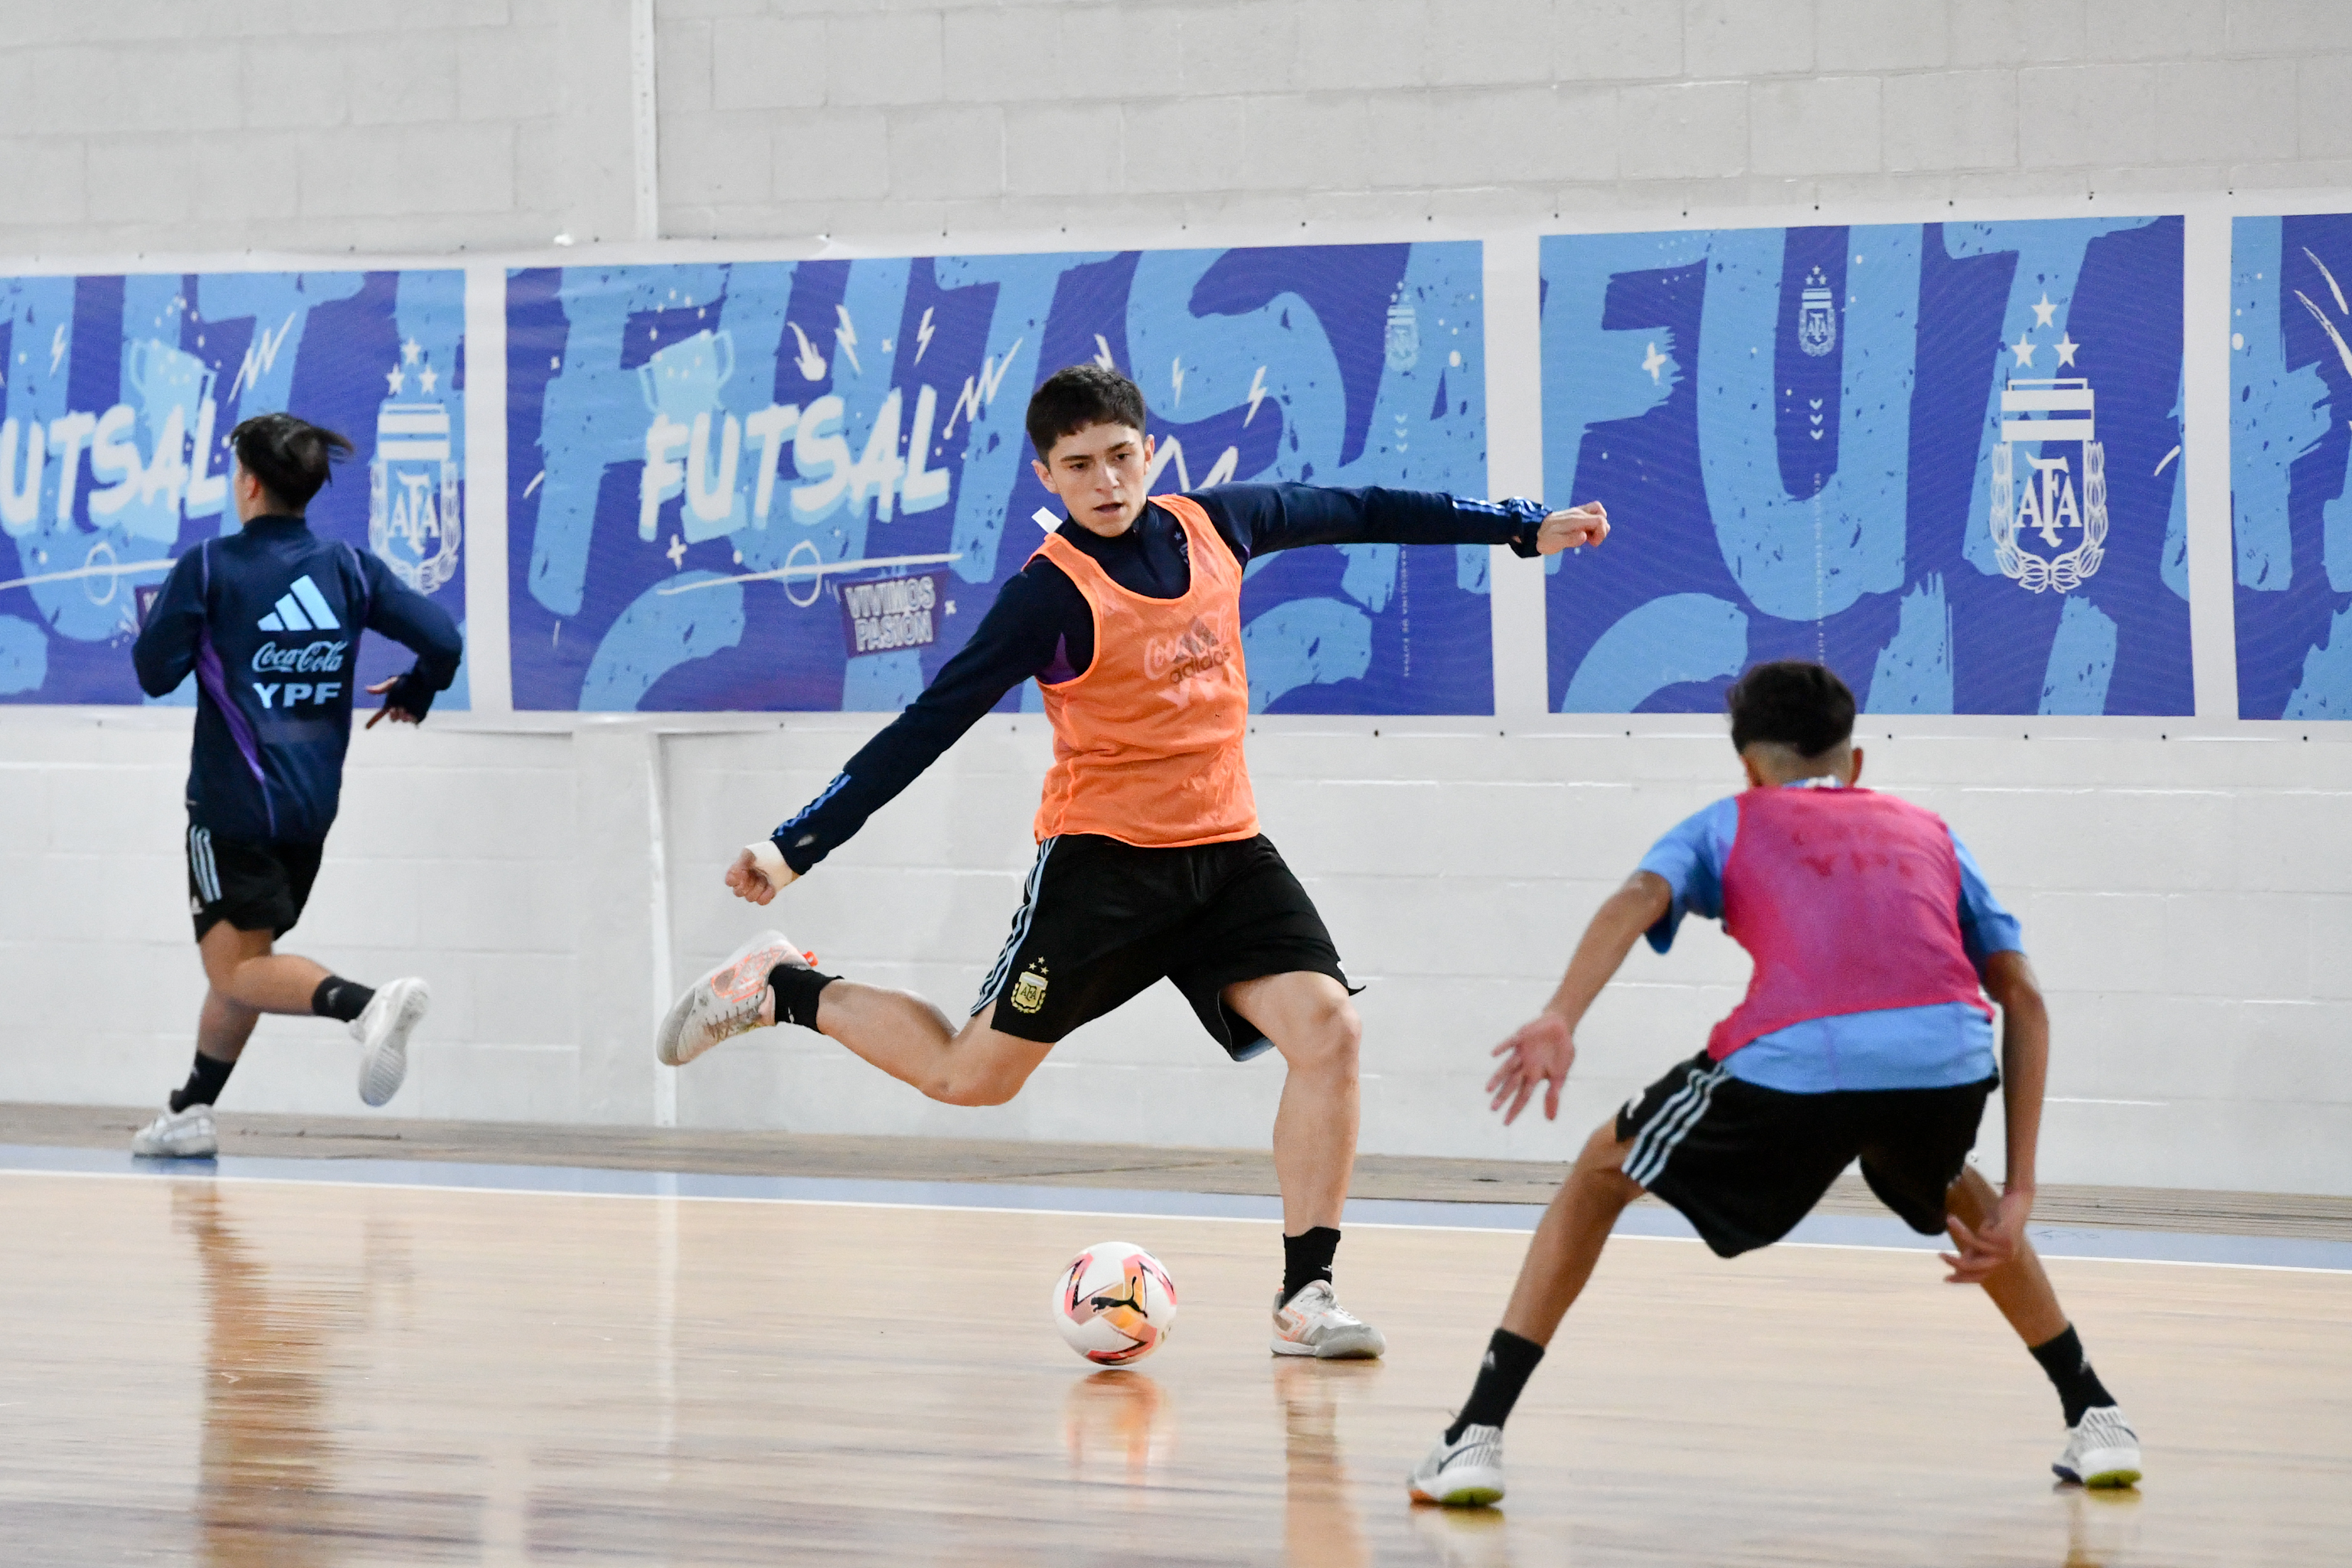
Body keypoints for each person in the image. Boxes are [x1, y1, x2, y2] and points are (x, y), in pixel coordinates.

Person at [656, 364, 1611, 1358]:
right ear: (1047, 477)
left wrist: (1520, 526)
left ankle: (1306, 1296)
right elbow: (929, 724)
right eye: (1079, 466)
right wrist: (794, 845)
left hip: (1227, 855)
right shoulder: (1047, 596)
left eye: (1120, 456)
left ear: (1149, 451)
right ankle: (784, 987)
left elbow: (1362, 507)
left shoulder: (1219, 525)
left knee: (1329, 1028)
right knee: (968, 1078)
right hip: (1103, 869)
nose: (1106, 481)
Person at [1407, 659, 2141, 1505]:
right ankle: (2096, 1413)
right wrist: (2021, 1190)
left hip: (1797, 1061)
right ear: (1854, 761)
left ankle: (1477, 1433)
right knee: (1947, 1181)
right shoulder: (1932, 831)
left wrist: (1560, 1014)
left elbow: (1637, 896)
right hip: (1947, 1066)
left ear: (1749, 767)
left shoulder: (1728, 820)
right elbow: (2025, 996)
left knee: (1601, 1169)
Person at [126, 413, 465, 1158]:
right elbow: (443, 640)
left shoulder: (209, 567)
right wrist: (416, 690)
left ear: (249, 484)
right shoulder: (348, 568)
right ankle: (189, 1109)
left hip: (231, 809)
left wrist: (174, 627)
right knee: (249, 965)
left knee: (235, 967)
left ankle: (364, 1006)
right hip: (310, 813)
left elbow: (154, 673)